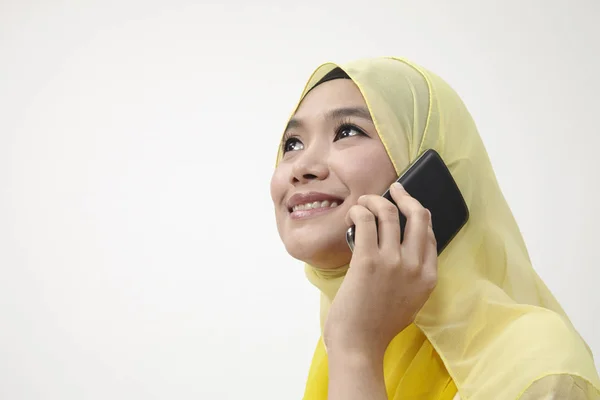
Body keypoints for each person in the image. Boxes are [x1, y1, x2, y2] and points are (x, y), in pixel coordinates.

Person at [269, 57, 600, 399]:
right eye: (292, 144)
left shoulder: (539, 369)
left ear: (425, 166)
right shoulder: (344, 335)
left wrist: (356, 353)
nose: (301, 167)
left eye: (348, 132)